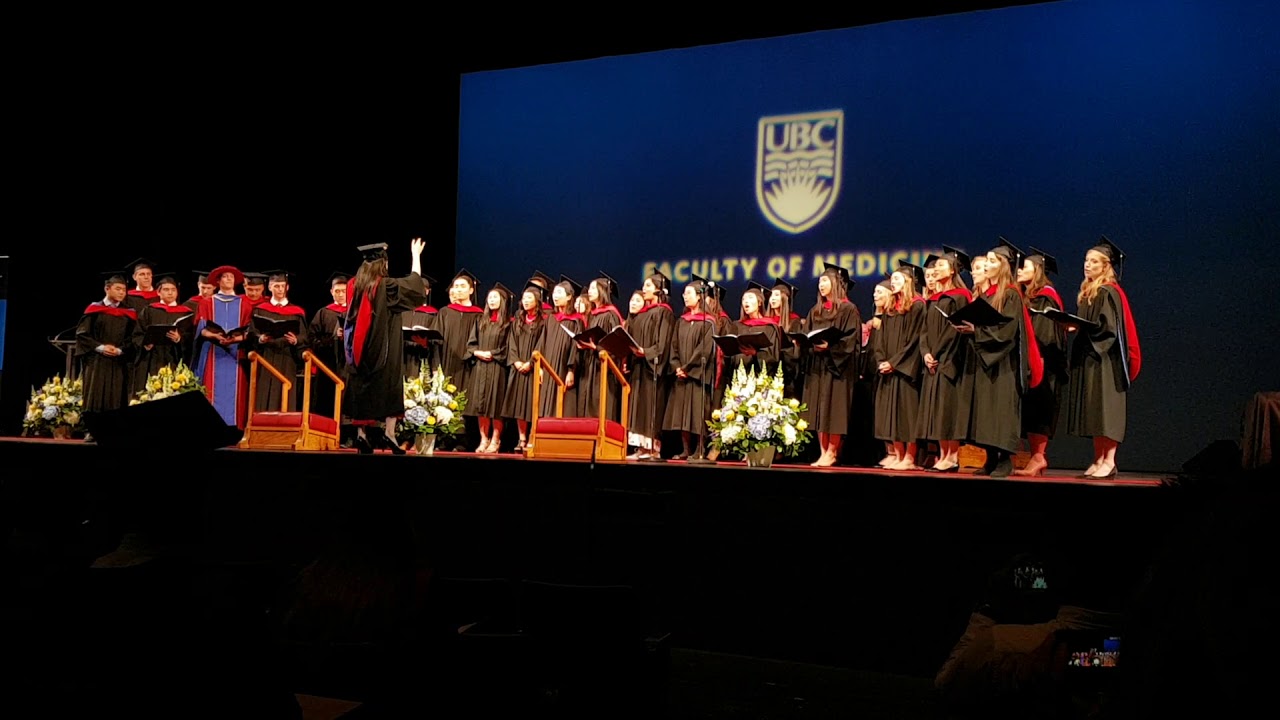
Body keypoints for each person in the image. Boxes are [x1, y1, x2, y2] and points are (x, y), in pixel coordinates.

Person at [956, 239, 1042, 478]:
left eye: (992, 262)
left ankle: (1005, 459)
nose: (986, 265)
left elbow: (1007, 331)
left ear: (1003, 266)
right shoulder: (988, 294)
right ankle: (990, 458)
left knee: (1001, 411)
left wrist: (978, 332)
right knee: (985, 412)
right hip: (985, 361)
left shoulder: (1011, 294)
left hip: (1003, 363)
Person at [343, 238, 426, 454]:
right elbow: (415, 287)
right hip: (384, 348)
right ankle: (389, 434)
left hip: (359, 350)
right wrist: (416, 255)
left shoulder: (354, 286)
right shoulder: (386, 285)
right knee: (389, 387)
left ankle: (361, 436)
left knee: (362, 388)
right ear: (383, 264)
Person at [1067, 237, 1140, 479]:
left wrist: (1084, 329)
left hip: (1106, 360)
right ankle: (1098, 458)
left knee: (1107, 411)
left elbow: (1107, 329)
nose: (1087, 265)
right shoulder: (1089, 292)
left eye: (1093, 262)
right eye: (1086, 261)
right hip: (1092, 358)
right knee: (1096, 412)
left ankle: (1110, 460)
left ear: (1105, 266)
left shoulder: (1109, 292)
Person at [915, 246, 974, 472]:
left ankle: (953, 455)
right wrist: (926, 353)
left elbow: (956, 328)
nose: (936, 269)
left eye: (941, 266)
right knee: (935, 409)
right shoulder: (933, 298)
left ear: (952, 271)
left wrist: (937, 353)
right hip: (933, 360)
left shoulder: (961, 296)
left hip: (950, 359)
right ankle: (942, 454)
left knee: (948, 408)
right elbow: (924, 331)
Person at [1013, 247, 1067, 477]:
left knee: (1040, 411)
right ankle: (1036, 457)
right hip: (1032, 361)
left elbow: (1043, 334)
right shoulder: (1029, 297)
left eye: (1024, 267)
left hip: (1043, 362)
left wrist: (1035, 360)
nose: (1019, 270)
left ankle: (1039, 457)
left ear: (1036, 270)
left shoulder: (1045, 297)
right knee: (1032, 411)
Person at [802, 262, 862, 467]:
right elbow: (807, 337)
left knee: (833, 411)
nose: (821, 284)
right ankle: (823, 451)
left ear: (836, 283)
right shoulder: (815, 310)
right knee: (819, 410)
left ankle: (833, 451)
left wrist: (831, 347)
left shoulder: (848, 309)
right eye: (819, 281)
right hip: (818, 366)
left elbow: (851, 340)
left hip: (838, 368)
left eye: (825, 281)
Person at [872, 261, 927, 470]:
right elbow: (880, 341)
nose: (892, 282)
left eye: (897, 279)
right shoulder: (889, 310)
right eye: (892, 279)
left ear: (908, 282)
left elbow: (914, 340)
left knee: (907, 415)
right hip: (889, 368)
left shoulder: (917, 306)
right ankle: (899, 454)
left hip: (905, 370)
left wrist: (894, 363)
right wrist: (881, 361)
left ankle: (910, 457)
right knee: (891, 415)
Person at [663, 276, 717, 460]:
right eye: (684, 293)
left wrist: (687, 368)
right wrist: (677, 366)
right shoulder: (681, 321)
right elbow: (674, 347)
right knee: (681, 414)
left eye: (688, 293)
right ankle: (686, 449)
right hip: (682, 375)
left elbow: (705, 349)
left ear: (699, 297)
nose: (684, 296)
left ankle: (700, 449)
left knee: (697, 414)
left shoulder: (708, 322)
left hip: (697, 376)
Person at [194, 265, 254, 428]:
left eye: (231, 277)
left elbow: (250, 331)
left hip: (236, 353)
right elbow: (201, 329)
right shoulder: (207, 303)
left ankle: (236, 429)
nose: (229, 279)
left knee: (236, 392)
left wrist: (236, 339)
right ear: (218, 281)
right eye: (225, 276)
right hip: (213, 352)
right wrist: (214, 335)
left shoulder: (245, 304)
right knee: (211, 389)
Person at [625, 273, 674, 460]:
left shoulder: (664, 312)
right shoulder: (643, 314)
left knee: (650, 405)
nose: (644, 289)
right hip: (639, 365)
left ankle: (653, 447)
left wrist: (647, 352)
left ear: (658, 289)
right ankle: (641, 448)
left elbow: (664, 343)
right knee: (638, 406)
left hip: (652, 367)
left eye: (647, 285)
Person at [76, 271, 138, 416]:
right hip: (96, 360)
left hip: (118, 360)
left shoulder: (128, 313)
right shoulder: (94, 309)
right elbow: (82, 334)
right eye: (118, 289)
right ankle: (91, 429)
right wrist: (101, 347)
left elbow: (133, 337)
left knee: (116, 394)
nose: (122, 292)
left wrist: (120, 350)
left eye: (124, 290)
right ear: (107, 289)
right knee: (94, 392)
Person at [250, 270, 308, 412]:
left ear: (287, 287)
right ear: (270, 287)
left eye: (283, 286)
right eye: (276, 286)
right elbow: (252, 333)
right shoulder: (259, 310)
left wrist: (296, 340)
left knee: (285, 391)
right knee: (263, 391)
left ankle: (285, 426)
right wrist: (260, 338)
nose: (280, 289)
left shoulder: (296, 312)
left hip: (287, 357)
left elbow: (304, 336)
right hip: (266, 356)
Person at [465, 282, 512, 453]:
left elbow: (508, 347)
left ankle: (496, 440)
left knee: (495, 405)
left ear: (502, 301)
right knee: (481, 405)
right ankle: (483, 439)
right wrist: (477, 353)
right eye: (490, 297)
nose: (492, 300)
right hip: (480, 367)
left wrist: (492, 354)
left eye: (495, 297)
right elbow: (471, 344)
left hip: (497, 368)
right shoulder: (480, 321)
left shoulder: (508, 323)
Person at [500, 281, 547, 452]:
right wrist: (516, 361)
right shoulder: (518, 319)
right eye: (524, 298)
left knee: (532, 403)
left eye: (530, 298)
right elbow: (511, 341)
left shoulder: (543, 321)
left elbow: (542, 344)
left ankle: (533, 436)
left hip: (533, 367)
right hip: (518, 367)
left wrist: (531, 362)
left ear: (537, 300)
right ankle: (521, 439)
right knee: (519, 405)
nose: (526, 301)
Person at [131, 274, 193, 391]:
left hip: (174, 357)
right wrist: (145, 344)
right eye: (166, 290)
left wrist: (180, 338)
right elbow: (137, 333)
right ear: (158, 293)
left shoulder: (186, 313)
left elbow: (191, 336)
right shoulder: (149, 310)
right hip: (152, 358)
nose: (170, 293)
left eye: (173, 290)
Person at [576, 273, 624, 420]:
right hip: (590, 365)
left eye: (593, 288)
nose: (589, 291)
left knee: (600, 403)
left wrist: (596, 347)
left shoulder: (611, 314)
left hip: (604, 368)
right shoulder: (593, 315)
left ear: (602, 291)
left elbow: (616, 345)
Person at [538, 275, 585, 421]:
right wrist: (540, 366)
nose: (555, 297)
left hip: (564, 366)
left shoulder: (576, 321)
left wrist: (571, 370)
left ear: (569, 297)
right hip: (548, 366)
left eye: (559, 293)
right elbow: (542, 342)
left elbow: (575, 348)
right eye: (554, 293)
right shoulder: (551, 319)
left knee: (564, 402)